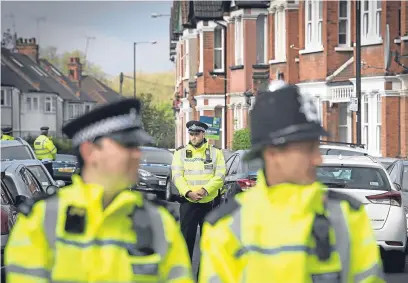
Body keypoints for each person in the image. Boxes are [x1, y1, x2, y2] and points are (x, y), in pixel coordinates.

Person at [198, 82, 385, 283]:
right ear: (272, 153)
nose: (318, 160)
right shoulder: (226, 227)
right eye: (307, 149)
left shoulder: (349, 216)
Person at [5, 98, 194, 283]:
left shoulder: (159, 221)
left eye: (137, 146)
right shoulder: (41, 219)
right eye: (126, 145)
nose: (137, 153)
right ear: (89, 152)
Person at [171, 120, 226, 263]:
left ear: (203, 134)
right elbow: (177, 176)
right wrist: (188, 192)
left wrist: (204, 190)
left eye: (196, 134)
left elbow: (220, 176)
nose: (193, 137)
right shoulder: (180, 153)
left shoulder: (216, 153)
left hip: (209, 203)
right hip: (188, 202)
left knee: (208, 243)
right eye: (191, 134)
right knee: (185, 242)